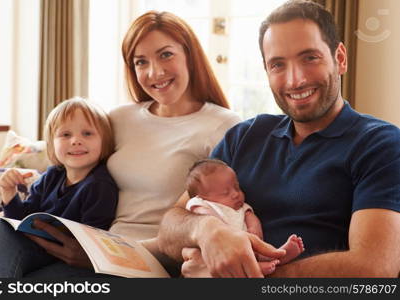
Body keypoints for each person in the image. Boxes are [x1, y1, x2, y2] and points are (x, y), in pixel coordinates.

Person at [0, 11, 284, 278]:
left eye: (166, 55)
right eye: (141, 62)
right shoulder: (120, 118)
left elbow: (217, 214)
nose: (155, 72)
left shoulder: (223, 125)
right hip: (92, 245)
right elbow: (73, 168)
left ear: (189, 55)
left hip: (146, 259)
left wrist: (100, 255)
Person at [157, 0, 400, 278]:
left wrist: (244, 277)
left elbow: (375, 267)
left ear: (340, 58)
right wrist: (206, 231)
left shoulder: (381, 144)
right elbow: (170, 226)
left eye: (310, 58)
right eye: (278, 65)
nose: (295, 80)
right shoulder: (244, 136)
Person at [0, 97, 119, 277]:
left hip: (64, 258)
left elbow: (92, 244)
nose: (76, 141)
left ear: (105, 141)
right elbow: (21, 220)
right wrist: (9, 193)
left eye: (87, 133)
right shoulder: (52, 176)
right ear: (52, 144)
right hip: (34, 247)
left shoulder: (99, 186)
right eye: (65, 135)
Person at [183, 158, 304, 277]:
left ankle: (277, 254)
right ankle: (258, 267)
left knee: (260, 251)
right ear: (202, 198)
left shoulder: (242, 208)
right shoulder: (202, 205)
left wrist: (254, 229)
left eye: (237, 187)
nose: (236, 194)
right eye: (225, 192)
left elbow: (251, 217)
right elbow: (200, 220)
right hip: (216, 250)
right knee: (209, 256)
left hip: (248, 244)